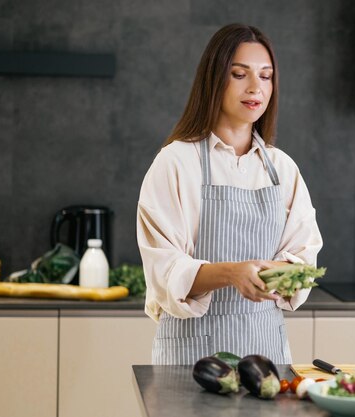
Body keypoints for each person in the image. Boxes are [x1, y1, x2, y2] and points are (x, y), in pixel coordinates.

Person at [136, 23, 323, 366]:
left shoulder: (282, 169)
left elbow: (304, 258)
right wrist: (232, 273)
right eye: (240, 74)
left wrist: (274, 274)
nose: (256, 87)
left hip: (267, 354)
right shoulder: (176, 162)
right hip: (190, 361)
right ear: (214, 79)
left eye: (266, 76)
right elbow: (164, 270)